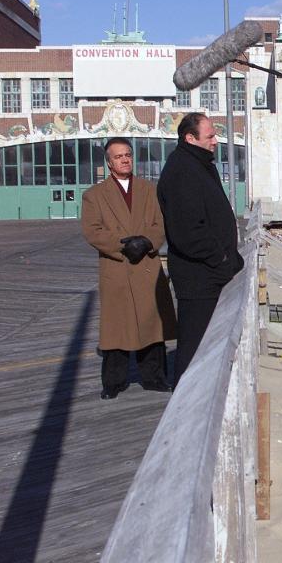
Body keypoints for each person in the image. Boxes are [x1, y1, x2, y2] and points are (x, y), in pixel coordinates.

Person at [81, 137, 176, 399]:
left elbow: (160, 224)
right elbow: (92, 231)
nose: (125, 160)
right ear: (109, 162)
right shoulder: (94, 196)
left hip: (146, 264)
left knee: (151, 325)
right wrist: (123, 246)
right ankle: (114, 382)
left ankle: (155, 377)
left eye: (128, 155)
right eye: (119, 156)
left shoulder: (149, 190)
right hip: (118, 266)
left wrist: (146, 242)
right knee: (116, 329)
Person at [157, 112, 244, 385]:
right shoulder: (182, 170)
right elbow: (188, 231)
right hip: (199, 276)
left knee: (209, 341)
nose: (216, 141)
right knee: (195, 344)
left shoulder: (199, 164)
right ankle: (185, 404)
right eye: (210, 136)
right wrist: (220, 258)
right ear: (190, 138)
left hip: (209, 273)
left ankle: (204, 388)